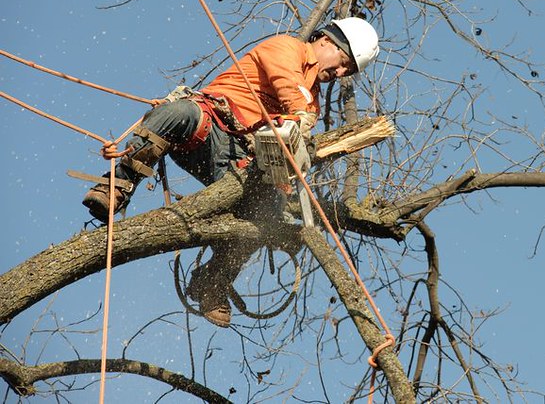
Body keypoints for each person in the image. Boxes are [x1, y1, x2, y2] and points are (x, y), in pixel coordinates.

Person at [81, 17, 380, 327]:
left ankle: (213, 280)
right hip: (208, 128)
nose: (342, 73)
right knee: (178, 111)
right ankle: (116, 186)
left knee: (269, 210)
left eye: (349, 71)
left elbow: (298, 115)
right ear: (327, 41)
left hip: (238, 161)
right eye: (344, 62)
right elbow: (288, 86)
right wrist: (301, 115)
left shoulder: (312, 101)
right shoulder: (287, 49)